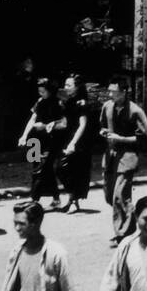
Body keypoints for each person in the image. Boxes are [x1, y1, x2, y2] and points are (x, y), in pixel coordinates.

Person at [101, 81, 147, 246]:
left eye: (114, 92)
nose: (110, 95)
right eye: (109, 91)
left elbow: (143, 139)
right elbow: (101, 126)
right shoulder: (107, 107)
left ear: (124, 92)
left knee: (120, 195)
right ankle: (131, 216)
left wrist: (121, 139)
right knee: (109, 195)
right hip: (110, 157)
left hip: (127, 157)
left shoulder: (135, 111)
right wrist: (104, 132)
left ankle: (124, 234)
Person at [19, 78, 67, 211]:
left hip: (52, 140)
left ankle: (34, 199)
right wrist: (24, 136)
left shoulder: (58, 103)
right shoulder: (39, 102)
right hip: (36, 139)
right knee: (37, 166)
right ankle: (56, 199)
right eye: (39, 91)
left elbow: (63, 124)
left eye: (43, 91)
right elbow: (32, 118)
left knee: (42, 167)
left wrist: (45, 126)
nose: (41, 94)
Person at [60, 74, 96, 213]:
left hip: (80, 141)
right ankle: (71, 199)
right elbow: (65, 121)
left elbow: (82, 125)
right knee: (64, 169)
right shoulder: (67, 101)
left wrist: (73, 143)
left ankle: (74, 200)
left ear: (77, 87)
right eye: (65, 85)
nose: (66, 88)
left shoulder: (82, 103)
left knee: (73, 170)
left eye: (69, 85)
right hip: (68, 138)